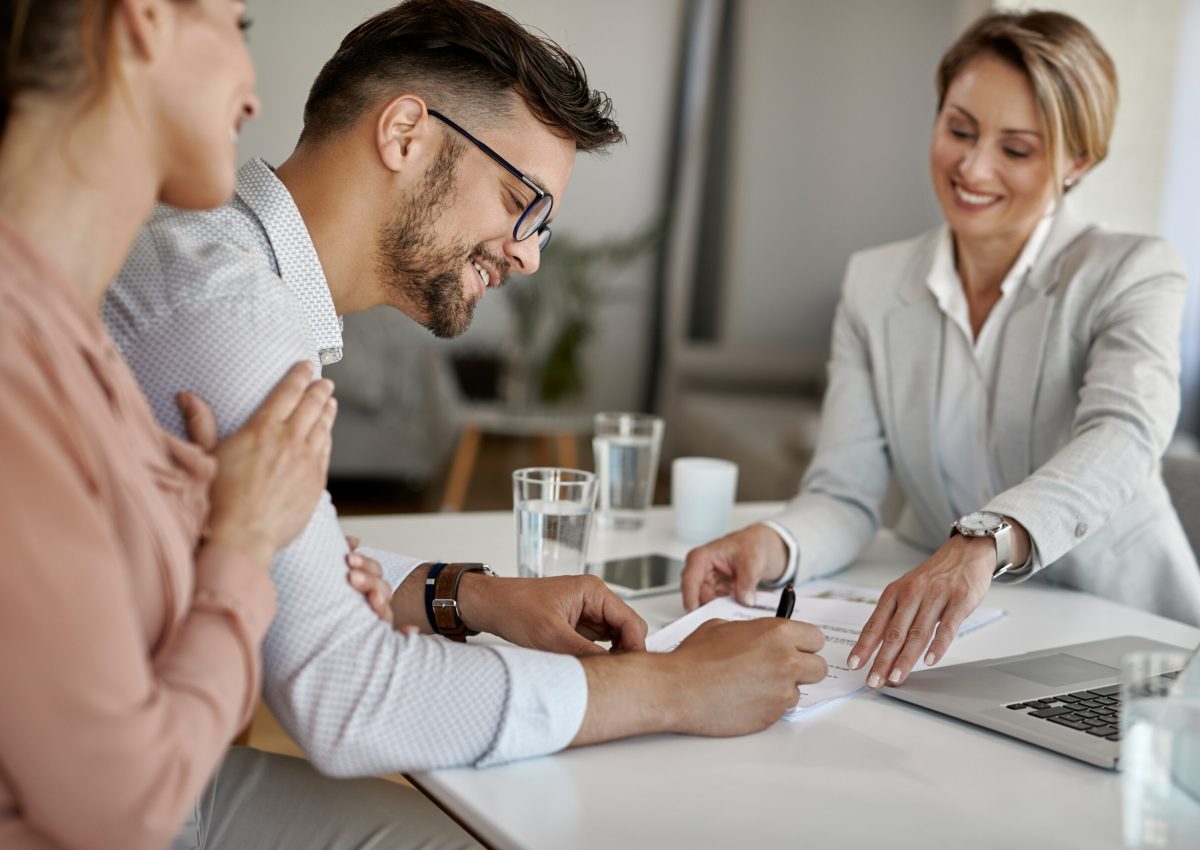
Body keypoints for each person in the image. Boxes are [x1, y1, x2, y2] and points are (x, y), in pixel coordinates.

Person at [104, 0, 827, 823]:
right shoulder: (231, 313)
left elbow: (275, 547)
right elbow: (346, 695)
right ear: (405, 134)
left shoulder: (224, 264)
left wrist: (469, 596)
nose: (527, 255)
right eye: (523, 202)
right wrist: (672, 685)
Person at [682, 9, 1200, 691]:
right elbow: (844, 492)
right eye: (959, 129)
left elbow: (1125, 435)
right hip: (961, 647)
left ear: (1078, 161)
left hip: (1130, 642)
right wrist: (771, 543)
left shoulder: (1132, 270)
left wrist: (982, 539)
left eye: (1016, 149)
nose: (972, 166)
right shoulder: (875, 283)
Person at [0, 0, 348, 847]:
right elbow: (124, 806)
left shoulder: (69, 333)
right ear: (145, 17)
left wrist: (211, 517)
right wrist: (245, 547)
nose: (255, 96)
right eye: (239, 25)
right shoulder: (18, 363)